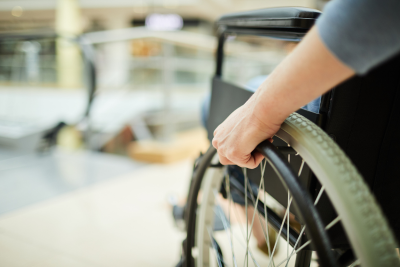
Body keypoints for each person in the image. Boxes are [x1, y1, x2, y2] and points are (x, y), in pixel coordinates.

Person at [212, 0, 400, 168]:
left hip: (342, 111)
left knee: (211, 107)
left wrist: (257, 114)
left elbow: (368, 11)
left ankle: (237, 198)